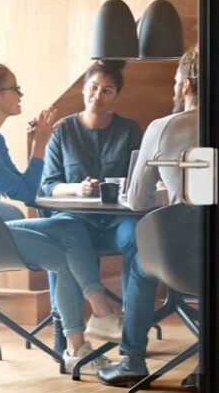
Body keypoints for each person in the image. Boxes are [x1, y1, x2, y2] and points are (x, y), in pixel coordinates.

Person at [97, 47, 219, 388]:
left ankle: (132, 361)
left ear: (188, 86)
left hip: (182, 259)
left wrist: (171, 191)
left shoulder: (162, 127)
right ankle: (212, 363)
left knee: (139, 262)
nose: (174, 88)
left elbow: (136, 202)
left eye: (176, 81)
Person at [0, 62, 120, 375]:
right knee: (63, 257)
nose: (19, 94)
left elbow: (24, 184)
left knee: (70, 225)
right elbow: (26, 193)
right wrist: (41, 144)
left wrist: (33, 147)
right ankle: (78, 344)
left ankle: (98, 310)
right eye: (15, 88)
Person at [40, 60, 151, 339]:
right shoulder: (63, 130)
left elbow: (140, 180)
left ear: (116, 96)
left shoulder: (129, 130)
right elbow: (48, 186)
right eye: (92, 88)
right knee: (62, 235)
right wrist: (78, 188)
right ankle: (66, 325)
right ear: (83, 89)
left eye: (106, 91)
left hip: (118, 220)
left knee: (139, 239)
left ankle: (132, 330)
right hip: (76, 220)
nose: (97, 96)